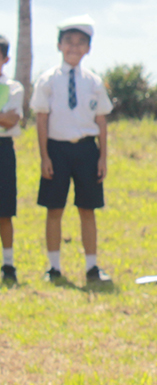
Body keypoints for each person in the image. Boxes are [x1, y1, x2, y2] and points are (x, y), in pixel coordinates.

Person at [31, 15, 113, 284]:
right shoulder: (47, 81)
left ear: (88, 48)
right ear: (59, 46)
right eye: (68, 42)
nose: (74, 48)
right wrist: (44, 156)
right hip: (56, 150)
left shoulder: (93, 82)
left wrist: (102, 157)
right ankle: (53, 267)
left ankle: (92, 266)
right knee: (54, 209)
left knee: (87, 208)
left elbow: (101, 121)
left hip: (87, 151)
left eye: (80, 43)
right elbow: (41, 120)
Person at [0, 34, 24, 285]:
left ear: (5, 59)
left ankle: (8, 264)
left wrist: (6, 118)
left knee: (4, 210)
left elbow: (11, 120)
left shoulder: (14, 87)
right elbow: (3, 118)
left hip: (3, 149)